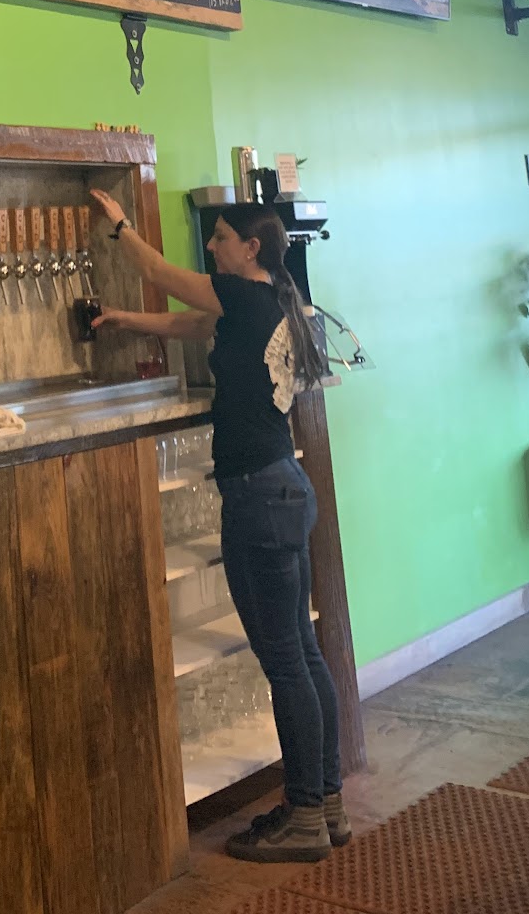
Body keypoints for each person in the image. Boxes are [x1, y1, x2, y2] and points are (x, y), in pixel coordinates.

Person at [88, 193, 345, 864]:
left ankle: (304, 817)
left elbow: (162, 274)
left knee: (286, 661)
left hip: (258, 495)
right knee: (303, 653)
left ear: (250, 249)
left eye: (222, 237)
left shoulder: (243, 293)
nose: (212, 245)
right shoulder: (269, 300)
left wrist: (119, 225)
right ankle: (326, 802)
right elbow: (192, 324)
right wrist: (126, 320)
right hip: (283, 487)